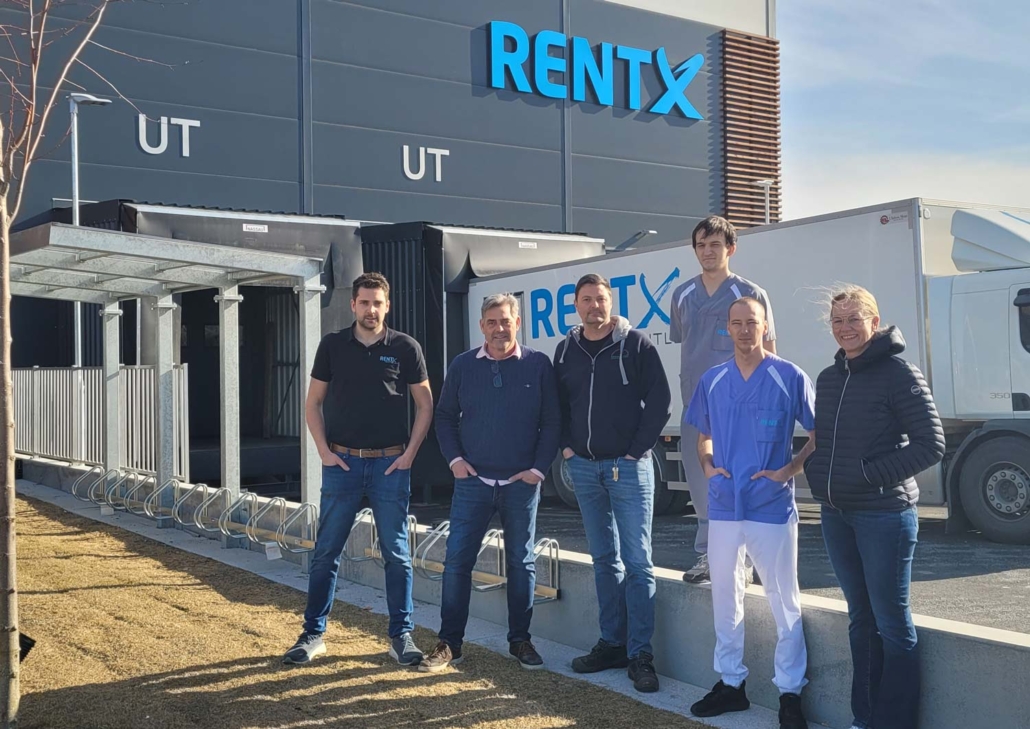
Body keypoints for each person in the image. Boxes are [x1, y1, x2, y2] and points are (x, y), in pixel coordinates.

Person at [803, 285, 944, 729]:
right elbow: (824, 442)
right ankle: (864, 718)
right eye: (837, 320)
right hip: (836, 514)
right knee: (860, 618)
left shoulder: (899, 373)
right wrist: (818, 474)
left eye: (854, 319)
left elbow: (931, 445)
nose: (844, 328)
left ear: (874, 322)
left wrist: (868, 476)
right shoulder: (829, 378)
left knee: (892, 623)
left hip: (884, 514)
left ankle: (895, 723)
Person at [282, 272, 434, 667]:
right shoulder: (332, 346)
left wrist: (409, 454)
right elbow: (312, 403)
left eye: (377, 303)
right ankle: (313, 634)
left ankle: (401, 636)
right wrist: (323, 452)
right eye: (364, 302)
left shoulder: (405, 347)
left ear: (387, 306)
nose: (371, 309)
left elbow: (426, 404)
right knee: (326, 551)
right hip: (342, 464)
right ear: (353, 304)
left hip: (390, 466)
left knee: (397, 554)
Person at [685, 297, 814, 729]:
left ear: (764, 326)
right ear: (727, 328)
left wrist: (790, 470)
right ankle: (731, 684)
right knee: (725, 595)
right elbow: (703, 434)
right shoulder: (714, 379)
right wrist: (708, 465)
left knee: (783, 599)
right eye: (736, 323)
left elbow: (819, 433)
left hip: (770, 505)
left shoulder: (788, 376)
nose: (744, 330)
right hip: (724, 505)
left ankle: (790, 692)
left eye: (751, 323)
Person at [419, 293, 561, 672]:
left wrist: (538, 470)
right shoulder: (463, 365)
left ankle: (520, 640)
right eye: (492, 322)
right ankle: (450, 643)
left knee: (521, 563)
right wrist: (455, 461)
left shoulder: (538, 365)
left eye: (506, 321)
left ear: (518, 323)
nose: (500, 328)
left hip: (521, 484)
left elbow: (552, 421)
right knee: (457, 561)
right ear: (482, 326)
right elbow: (445, 416)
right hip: (473, 483)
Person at [554, 274, 672, 693]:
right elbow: (557, 405)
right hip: (585, 470)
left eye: (601, 299)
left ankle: (641, 655)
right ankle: (612, 644)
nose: (594, 306)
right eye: (586, 299)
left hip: (628, 469)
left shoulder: (636, 344)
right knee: (604, 559)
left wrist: (637, 451)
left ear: (611, 302)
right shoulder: (565, 350)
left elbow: (659, 400)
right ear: (576, 305)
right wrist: (568, 449)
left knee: (638, 562)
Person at [670, 215, 776, 584]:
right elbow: (688, 345)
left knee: (744, 485)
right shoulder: (682, 295)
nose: (707, 251)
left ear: (731, 249)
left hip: (742, 411)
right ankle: (709, 556)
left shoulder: (750, 294)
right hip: (698, 410)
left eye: (715, 244)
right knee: (703, 487)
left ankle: (743, 562)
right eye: (701, 245)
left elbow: (769, 351)